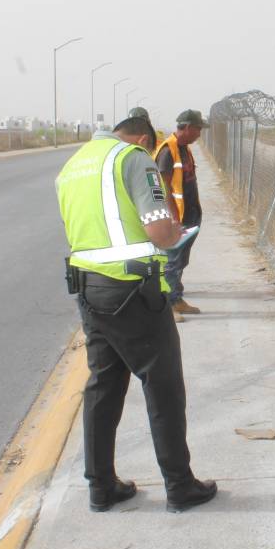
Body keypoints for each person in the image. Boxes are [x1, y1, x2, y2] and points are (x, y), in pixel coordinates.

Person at [56, 115, 217, 513]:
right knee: (163, 387)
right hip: (133, 291)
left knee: (104, 386)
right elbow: (160, 231)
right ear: (144, 138)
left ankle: (101, 487)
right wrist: (175, 232)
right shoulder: (132, 158)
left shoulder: (74, 165)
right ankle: (180, 486)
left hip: (89, 288)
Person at [154, 110, 208, 322]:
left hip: (190, 214)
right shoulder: (168, 151)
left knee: (180, 261)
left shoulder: (184, 149)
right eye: (198, 129)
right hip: (177, 217)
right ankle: (168, 306)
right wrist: (173, 218)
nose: (199, 134)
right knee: (172, 262)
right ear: (187, 127)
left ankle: (176, 299)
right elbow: (163, 187)